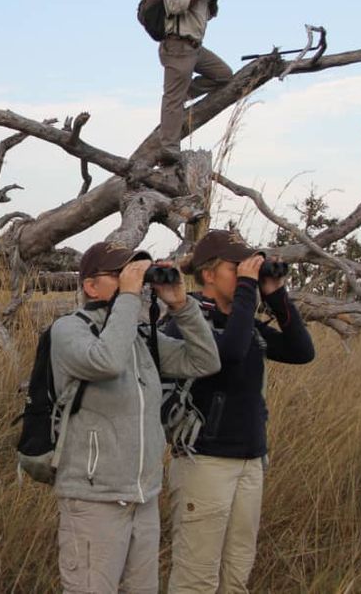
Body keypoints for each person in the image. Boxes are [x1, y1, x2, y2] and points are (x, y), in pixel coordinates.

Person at [51, 240, 220, 594]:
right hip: (94, 500)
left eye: (135, 273)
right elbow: (106, 361)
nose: (132, 280)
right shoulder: (69, 330)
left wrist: (180, 304)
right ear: (90, 286)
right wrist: (129, 298)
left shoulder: (141, 338)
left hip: (143, 498)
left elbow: (205, 361)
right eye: (119, 273)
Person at [168, 230, 315, 594]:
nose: (246, 274)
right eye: (238, 268)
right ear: (208, 274)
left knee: (236, 574)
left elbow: (301, 351)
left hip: (250, 460)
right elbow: (226, 355)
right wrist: (250, 290)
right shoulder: (187, 319)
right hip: (205, 461)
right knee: (196, 578)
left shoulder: (245, 322)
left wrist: (277, 295)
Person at [159, 0, 233, 155]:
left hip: (194, 47)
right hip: (178, 46)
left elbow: (204, 16)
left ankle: (180, 95)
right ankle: (169, 149)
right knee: (173, 100)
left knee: (224, 75)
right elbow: (175, 5)